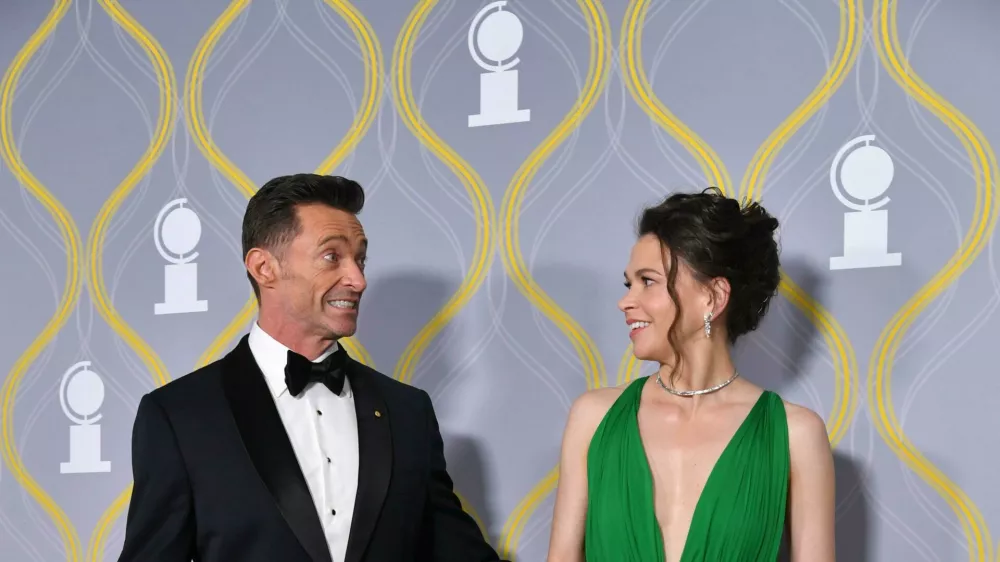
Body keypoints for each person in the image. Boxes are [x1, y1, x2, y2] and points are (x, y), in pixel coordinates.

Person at [118, 174, 506, 562]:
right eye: (332, 256)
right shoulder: (180, 417)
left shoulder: (407, 412)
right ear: (264, 267)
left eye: (360, 259)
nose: (357, 279)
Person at [546, 188, 835, 562]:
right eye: (628, 283)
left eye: (647, 281)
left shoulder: (795, 434)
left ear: (712, 297)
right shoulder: (594, 418)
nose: (625, 301)